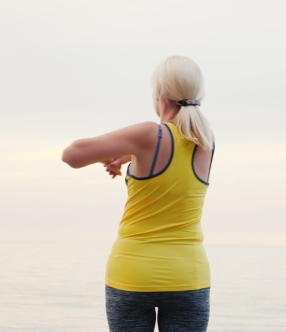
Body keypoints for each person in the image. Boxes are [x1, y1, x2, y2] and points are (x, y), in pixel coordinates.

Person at [62, 56, 214, 332]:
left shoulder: (148, 133)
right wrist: (127, 156)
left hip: (132, 273)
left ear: (160, 94)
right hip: (188, 275)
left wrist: (107, 155)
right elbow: (173, 158)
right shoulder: (205, 140)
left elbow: (71, 155)